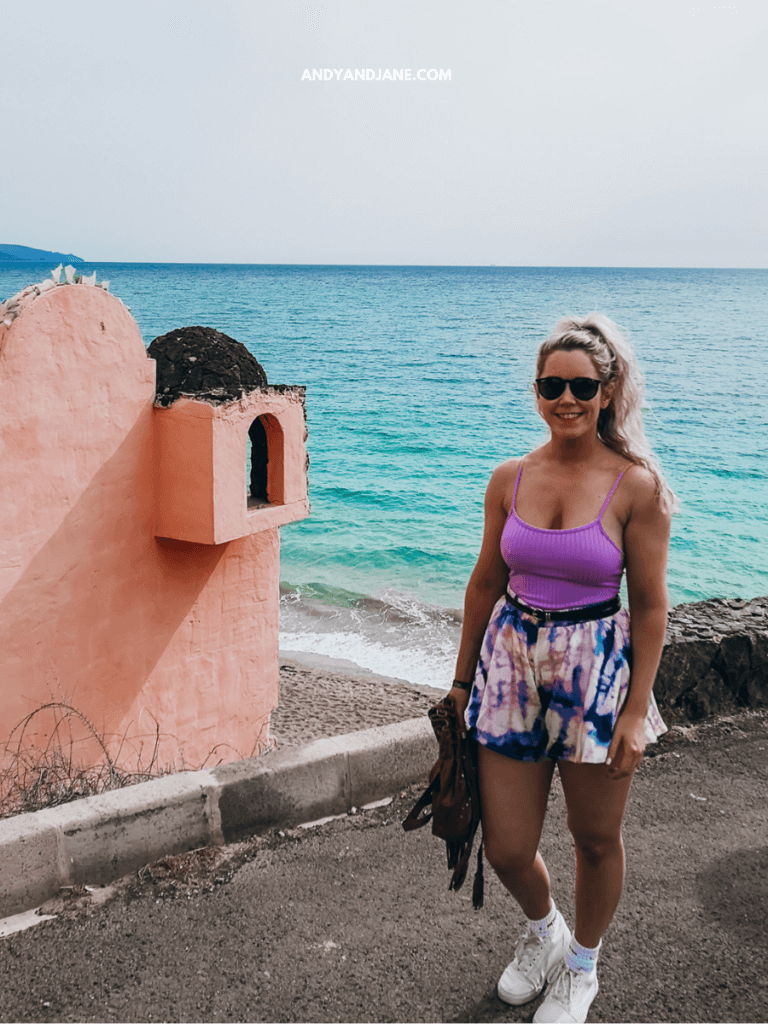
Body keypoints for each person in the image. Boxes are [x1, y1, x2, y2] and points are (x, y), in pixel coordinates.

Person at [449, 313, 676, 1024]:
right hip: (511, 663)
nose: (566, 398)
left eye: (582, 385)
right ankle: (545, 933)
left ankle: (582, 965)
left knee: (596, 838)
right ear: (537, 390)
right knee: (511, 847)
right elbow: (485, 582)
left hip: (597, 670)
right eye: (552, 384)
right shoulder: (510, 477)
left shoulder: (635, 487)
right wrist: (460, 684)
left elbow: (649, 608)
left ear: (607, 391)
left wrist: (637, 708)